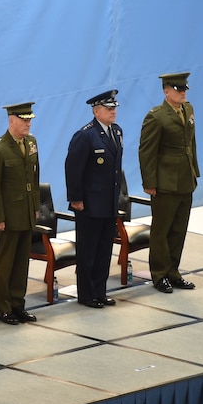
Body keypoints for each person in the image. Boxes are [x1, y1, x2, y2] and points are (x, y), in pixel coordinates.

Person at [138, 72, 200, 293]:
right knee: (161, 231)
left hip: (185, 179)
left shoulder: (188, 110)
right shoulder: (157, 116)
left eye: (184, 89)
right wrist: (149, 182)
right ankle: (159, 274)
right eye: (178, 89)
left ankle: (173, 272)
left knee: (179, 229)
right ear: (166, 91)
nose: (183, 92)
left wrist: (195, 171)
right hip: (165, 181)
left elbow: (190, 143)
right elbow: (147, 151)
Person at [0, 102, 41, 325]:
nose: (28, 123)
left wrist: (35, 206)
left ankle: (18, 303)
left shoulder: (31, 142)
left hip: (25, 212)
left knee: (22, 262)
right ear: (11, 120)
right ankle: (3, 307)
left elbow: (34, 177)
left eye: (30, 120)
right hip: (8, 215)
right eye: (24, 120)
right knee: (5, 264)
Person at [65, 89, 123, 308]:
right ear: (96, 111)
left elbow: (115, 170)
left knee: (104, 250)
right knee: (88, 251)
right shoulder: (85, 135)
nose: (113, 112)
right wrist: (75, 199)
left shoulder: (116, 132)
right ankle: (87, 294)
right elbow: (73, 169)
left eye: (114, 108)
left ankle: (100, 291)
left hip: (108, 203)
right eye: (109, 109)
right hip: (89, 204)